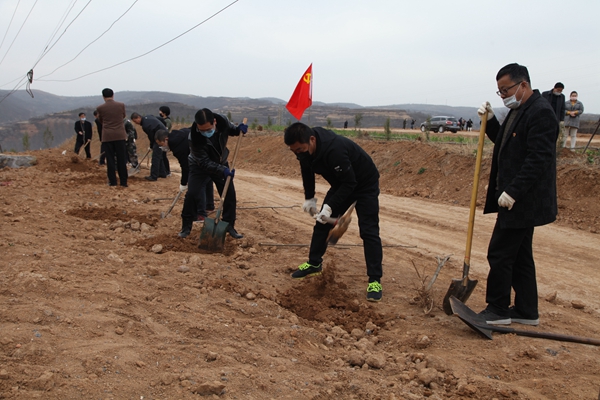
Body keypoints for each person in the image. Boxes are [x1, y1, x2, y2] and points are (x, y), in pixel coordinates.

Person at [476, 63, 558, 326]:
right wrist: (490, 122)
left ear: (523, 85)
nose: (503, 96)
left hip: (523, 201)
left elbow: (539, 158)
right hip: (517, 200)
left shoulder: (541, 112)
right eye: (499, 92)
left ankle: (498, 308)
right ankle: (526, 310)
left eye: (506, 90)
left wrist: (513, 191)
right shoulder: (520, 109)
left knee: (499, 253)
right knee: (521, 256)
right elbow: (506, 142)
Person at [284, 122, 384, 302]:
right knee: (322, 223)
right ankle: (314, 263)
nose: (297, 153)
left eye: (300, 149)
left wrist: (329, 207)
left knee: (369, 231)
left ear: (312, 140)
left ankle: (375, 280)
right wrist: (309, 198)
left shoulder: (334, 149)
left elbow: (351, 183)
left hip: (365, 184)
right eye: (294, 151)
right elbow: (307, 171)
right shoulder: (304, 151)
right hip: (342, 183)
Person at [178, 108, 247, 239]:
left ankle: (229, 225)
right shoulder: (194, 137)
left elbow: (231, 129)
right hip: (199, 166)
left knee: (229, 194)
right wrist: (223, 170)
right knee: (192, 194)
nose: (205, 133)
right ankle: (186, 226)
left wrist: (239, 129)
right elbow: (204, 162)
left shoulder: (223, 121)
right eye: (202, 130)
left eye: (208, 129)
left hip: (220, 162)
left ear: (214, 122)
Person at [155, 128, 214, 216]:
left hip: (203, 157)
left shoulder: (178, 147)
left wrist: (183, 183)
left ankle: (201, 214)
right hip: (209, 153)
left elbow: (185, 166)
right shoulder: (180, 133)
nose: (162, 147)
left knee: (198, 185)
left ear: (166, 139)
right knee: (207, 179)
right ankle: (209, 206)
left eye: (161, 144)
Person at [96, 88, 128, 187]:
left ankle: (112, 181)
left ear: (103, 96)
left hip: (107, 136)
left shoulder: (100, 108)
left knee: (110, 160)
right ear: (113, 95)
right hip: (120, 135)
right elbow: (123, 116)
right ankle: (123, 182)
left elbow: (100, 120)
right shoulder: (121, 105)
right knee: (121, 159)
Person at [130, 112, 168, 181]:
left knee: (155, 157)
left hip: (160, 137)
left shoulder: (145, 125)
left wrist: (151, 145)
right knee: (159, 156)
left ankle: (154, 176)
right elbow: (159, 119)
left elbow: (151, 136)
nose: (136, 123)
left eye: (135, 121)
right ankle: (162, 173)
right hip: (163, 134)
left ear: (138, 117)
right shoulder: (148, 116)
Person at [541, 82, 566, 148]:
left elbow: (562, 109)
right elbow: (540, 105)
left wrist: (561, 120)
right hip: (545, 117)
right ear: (554, 88)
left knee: (553, 134)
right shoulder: (545, 94)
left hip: (555, 119)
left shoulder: (562, 97)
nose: (559, 92)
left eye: (561, 91)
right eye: (558, 90)